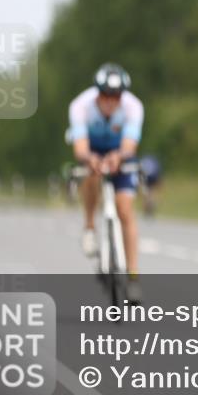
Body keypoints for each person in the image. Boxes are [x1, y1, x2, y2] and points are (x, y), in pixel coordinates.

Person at [68, 63, 145, 303]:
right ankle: (90, 225)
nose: (111, 101)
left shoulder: (133, 106)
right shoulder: (80, 106)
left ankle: (133, 277)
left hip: (120, 154)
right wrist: (91, 159)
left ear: (122, 95)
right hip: (92, 152)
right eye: (105, 95)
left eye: (116, 96)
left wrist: (118, 157)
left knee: (125, 209)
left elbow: (130, 145)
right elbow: (80, 148)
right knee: (92, 175)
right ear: (97, 93)